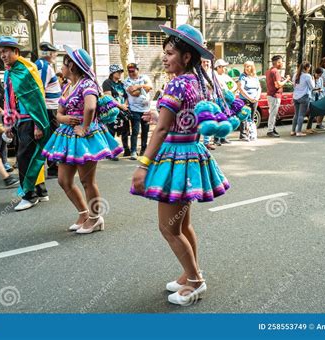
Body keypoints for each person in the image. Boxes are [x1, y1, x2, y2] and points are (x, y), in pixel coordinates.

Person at [131, 24, 230, 306]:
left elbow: (161, 132)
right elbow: (181, 119)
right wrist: (160, 118)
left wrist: (143, 164)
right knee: (183, 225)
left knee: (168, 228)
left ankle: (196, 282)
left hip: (175, 160)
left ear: (186, 57)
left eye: (170, 53)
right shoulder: (198, 82)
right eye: (164, 52)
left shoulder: (177, 83)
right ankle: (191, 273)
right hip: (191, 156)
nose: (164, 57)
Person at [42, 46, 123, 234]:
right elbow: (59, 113)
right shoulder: (67, 86)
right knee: (63, 180)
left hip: (84, 137)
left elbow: (90, 107)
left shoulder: (88, 84)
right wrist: (65, 119)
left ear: (71, 65)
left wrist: (85, 127)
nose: (60, 68)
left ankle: (95, 218)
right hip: (68, 136)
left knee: (87, 181)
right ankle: (83, 213)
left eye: (63, 63)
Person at [0, 36, 52, 211]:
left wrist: (38, 124)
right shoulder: (12, 71)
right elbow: (9, 99)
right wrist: (9, 123)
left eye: (5, 51)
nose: (2, 55)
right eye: (0, 52)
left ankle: (29, 196)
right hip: (20, 120)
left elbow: (37, 97)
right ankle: (40, 191)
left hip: (30, 120)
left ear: (15, 51)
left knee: (24, 158)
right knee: (32, 155)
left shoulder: (26, 69)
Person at [35, 42, 61, 177]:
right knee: (52, 138)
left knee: (52, 137)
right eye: (54, 52)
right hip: (49, 109)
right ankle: (52, 167)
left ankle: (52, 166)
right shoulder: (43, 66)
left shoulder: (43, 65)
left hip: (51, 108)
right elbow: (40, 91)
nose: (55, 55)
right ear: (49, 53)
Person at [123, 63, 153, 160]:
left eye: (133, 71)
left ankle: (144, 150)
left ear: (137, 70)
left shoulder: (144, 77)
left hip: (146, 109)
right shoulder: (126, 81)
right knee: (135, 131)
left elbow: (150, 88)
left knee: (145, 130)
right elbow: (134, 93)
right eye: (129, 71)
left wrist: (138, 86)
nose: (131, 73)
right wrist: (142, 87)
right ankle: (133, 151)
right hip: (134, 109)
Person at [102, 64, 130, 159]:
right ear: (112, 73)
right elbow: (108, 97)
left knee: (125, 130)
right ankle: (110, 152)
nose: (120, 74)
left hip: (123, 109)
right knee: (111, 131)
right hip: (113, 110)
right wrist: (120, 105)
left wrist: (125, 105)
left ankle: (127, 150)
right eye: (118, 72)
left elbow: (126, 96)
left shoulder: (121, 84)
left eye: (121, 72)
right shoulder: (107, 83)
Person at [265, 55, 290, 138]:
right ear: (277, 62)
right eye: (281, 62)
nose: (282, 63)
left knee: (272, 113)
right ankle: (270, 131)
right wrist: (286, 80)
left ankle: (272, 128)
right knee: (273, 113)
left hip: (270, 95)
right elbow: (278, 85)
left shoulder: (269, 71)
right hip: (275, 95)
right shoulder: (275, 72)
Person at [237, 61, 261, 141]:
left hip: (255, 100)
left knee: (251, 117)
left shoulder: (255, 76)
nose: (246, 68)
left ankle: (251, 134)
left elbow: (259, 88)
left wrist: (257, 97)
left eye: (248, 66)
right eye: (245, 66)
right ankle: (243, 134)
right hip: (245, 99)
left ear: (252, 67)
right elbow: (241, 89)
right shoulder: (242, 76)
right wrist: (250, 98)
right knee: (244, 117)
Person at [213, 59, 235, 145]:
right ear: (218, 67)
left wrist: (229, 93)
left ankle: (223, 137)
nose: (225, 69)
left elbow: (232, 86)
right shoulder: (214, 75)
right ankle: (216, 138)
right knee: (218, 118)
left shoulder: (226, 77)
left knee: (225, 118)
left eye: (225, 67)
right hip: (217, 100)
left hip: (226, 101)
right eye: (223, 67)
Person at [291, 61, 314, 137]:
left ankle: (293, 131)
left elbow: (294, 86)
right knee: (301, 115)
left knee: (296, 114)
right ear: (306, 67)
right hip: (304, 96)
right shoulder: (307, 76)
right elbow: (312, 87)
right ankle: (299, 132)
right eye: (309, 67)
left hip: (295, 96)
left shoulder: (295, 75)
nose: (310, 69)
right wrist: (313, 79)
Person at [200, 58, 216, 149]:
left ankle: (207, 142)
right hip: (200, 100)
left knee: (209, 120)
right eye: (203, 61)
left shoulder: (213, 73)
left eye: (207, 62)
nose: (205, 63)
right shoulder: (197, 73)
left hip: (211, 99)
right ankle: (196, 141)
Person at [306, 67, 324, 133]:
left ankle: (309, 128)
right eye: (318, 75)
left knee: (313, 113)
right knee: (311, 113)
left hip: (318, 97)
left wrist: (320, 90)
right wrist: (317, 89)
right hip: (311, 97)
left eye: (320, 75)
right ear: (315, 73)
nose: (319, 76)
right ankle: (308, 128)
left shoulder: (321, 79)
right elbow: (310, 89)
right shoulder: (311, 78)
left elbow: (322, 88)